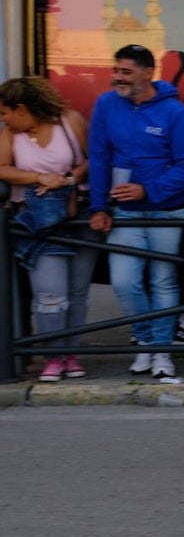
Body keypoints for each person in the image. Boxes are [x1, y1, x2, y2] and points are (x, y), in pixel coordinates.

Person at [86, 45, 184, 379]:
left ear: (148, 73)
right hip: (126, 213)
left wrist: (148, 189)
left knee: (163, 282)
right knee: (124, 282)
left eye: (126, 71)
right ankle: (146, 342)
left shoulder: (173, 111)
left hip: (168, 212)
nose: (117, 77)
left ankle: (162, 352)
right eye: (116, 70)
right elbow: (99, 157)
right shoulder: (106, 104)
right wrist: (99, 206)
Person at [0, 77, 99, 382]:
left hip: (77, 216)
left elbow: (95, 158)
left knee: (78, 293)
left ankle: (71, 355)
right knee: (50, 295)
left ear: (22, 108)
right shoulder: (9, 134)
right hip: (38, 222)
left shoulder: (70, 121)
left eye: (5, 112)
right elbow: (2, 168)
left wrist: (67, 179)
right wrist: (39, 177)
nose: (3, 119)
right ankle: (53, 356)